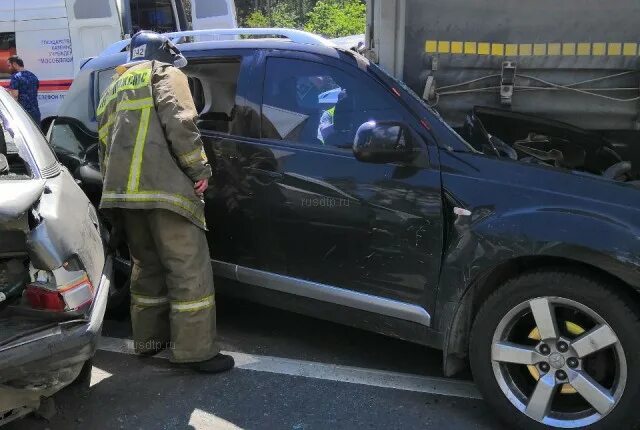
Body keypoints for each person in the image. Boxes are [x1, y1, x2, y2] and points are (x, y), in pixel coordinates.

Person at [96, 31, 234, 373]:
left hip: (125, 196)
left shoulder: (114, 86)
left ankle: (148, 341)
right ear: (164, 53)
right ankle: (196, 352)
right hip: (165, 191)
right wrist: (199, 168)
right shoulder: (164, 72)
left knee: (147, 267)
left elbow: (103, 144)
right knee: (188, 269)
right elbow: (181, 121)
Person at [7, 56, 41, 124]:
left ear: (14, 64)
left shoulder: (16, 77)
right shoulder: (33, 76)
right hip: (35, 112)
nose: (8, 68)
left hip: (23, 113)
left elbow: (15, 96)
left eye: (9, 65)